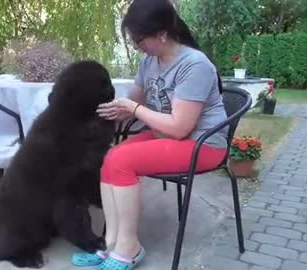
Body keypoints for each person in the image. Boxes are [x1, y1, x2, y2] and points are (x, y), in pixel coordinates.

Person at [71, 0, 229, 269]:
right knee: (111, 157)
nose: (135, 46)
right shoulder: (150, 60)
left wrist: (133, 108)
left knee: (122, 162)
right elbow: (136, 99)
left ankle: (128, 247)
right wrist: (115, 110)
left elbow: (180, 127)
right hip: (166, 135)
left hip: (202, 143)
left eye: (138, 39)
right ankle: (109, 244)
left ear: (162, 34)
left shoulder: (195, 65)